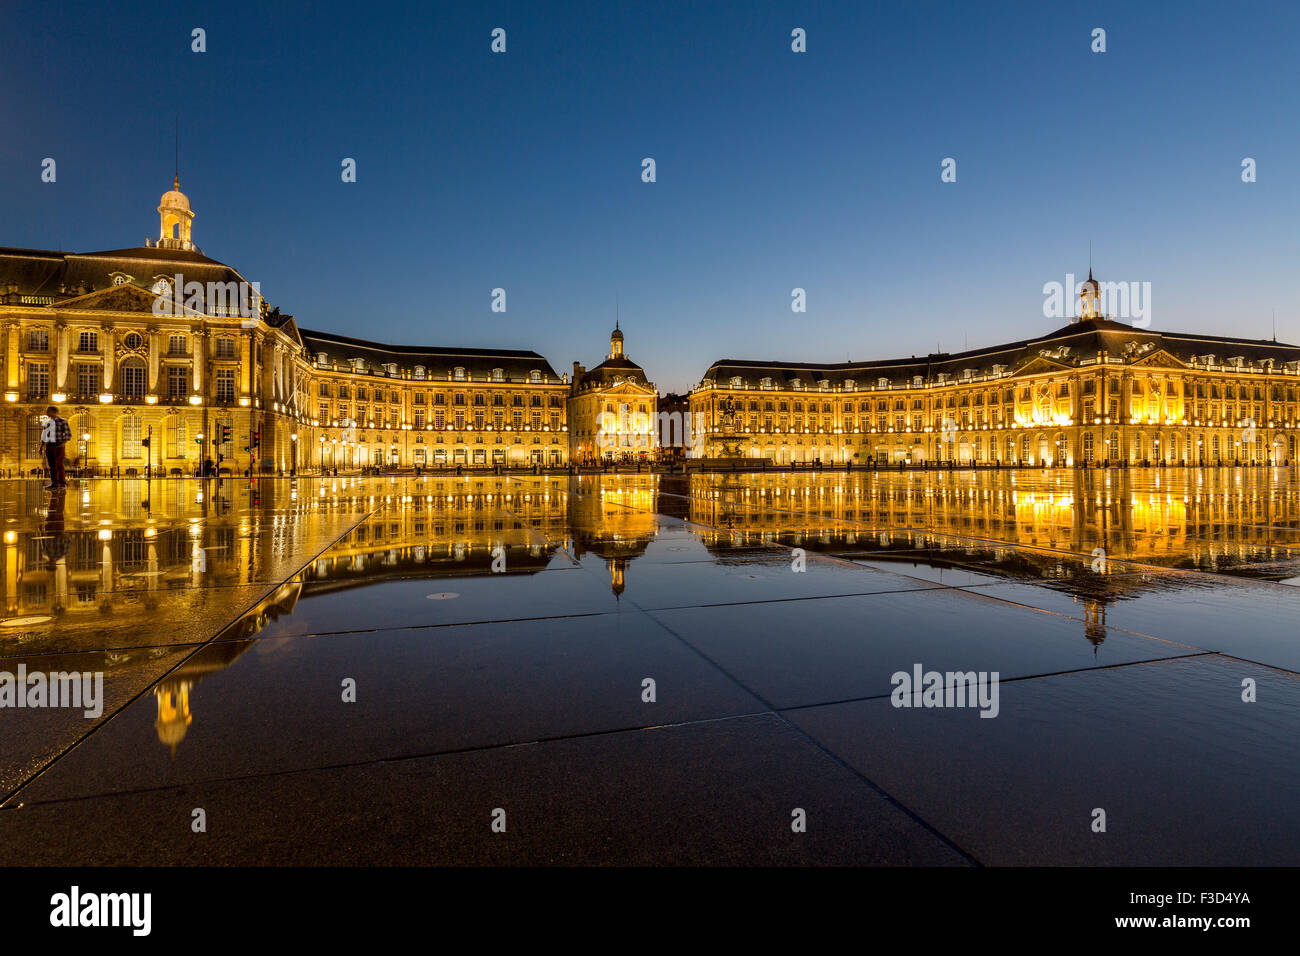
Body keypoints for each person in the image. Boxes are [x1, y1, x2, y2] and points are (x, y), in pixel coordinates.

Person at [39, 405, 71, 489]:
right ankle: (55, 483)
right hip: (49, 446)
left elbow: (68, 434)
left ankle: (62, 483)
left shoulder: (62, 421)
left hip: (58, 445)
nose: (47, 412)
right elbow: (44, 435)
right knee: (51, 465)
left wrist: (63, 443)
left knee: (59, 465)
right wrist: (42, 446)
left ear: (54, 412)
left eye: (49, 411)